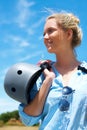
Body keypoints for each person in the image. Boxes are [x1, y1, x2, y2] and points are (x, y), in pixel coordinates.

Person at [18, 11, 87, 130]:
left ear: (68, 34)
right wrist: (48, 81)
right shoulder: (41, 74)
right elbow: (28, 120)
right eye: (44, 33)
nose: (45, 37)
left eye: (50, 31)